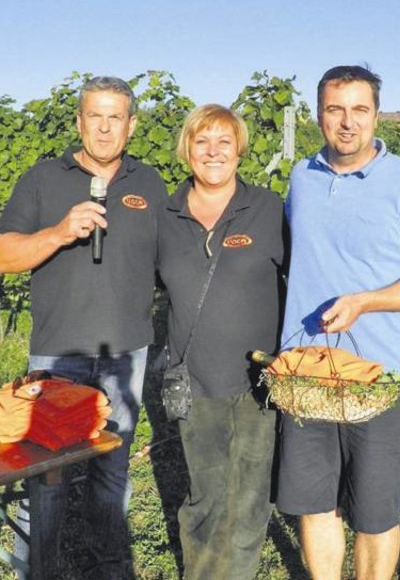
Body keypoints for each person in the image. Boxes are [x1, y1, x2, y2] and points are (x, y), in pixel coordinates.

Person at [0, 76, 167, 579]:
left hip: (126, 353)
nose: (105, 128)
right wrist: (59, 231)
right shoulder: (43, 179)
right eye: (95, 116)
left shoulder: (149, 184)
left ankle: (108, 566)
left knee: (113, 470)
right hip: (56, 354)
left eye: (115, 117)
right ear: (79, 121)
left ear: (130, 126)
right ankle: (36, 569)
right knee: (46, 473)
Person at [276, 65, 400, 580]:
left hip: (381, 373)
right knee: (315, 502)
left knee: (374, 512)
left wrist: (365, 302)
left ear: (376, 115)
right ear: (319, 115)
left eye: (359, 110)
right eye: (335, 109)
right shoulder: (301, 177)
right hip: (305, 370)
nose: (347, 122)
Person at [157, 104, 287, 580]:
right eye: (202, 142)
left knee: (252, 496)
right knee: (205, 497)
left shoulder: (269, 208)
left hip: (259, 382)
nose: (212, 152)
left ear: (240, 151)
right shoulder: (164, 214)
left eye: (224, 143)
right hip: (196, 380)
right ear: (187, 149)